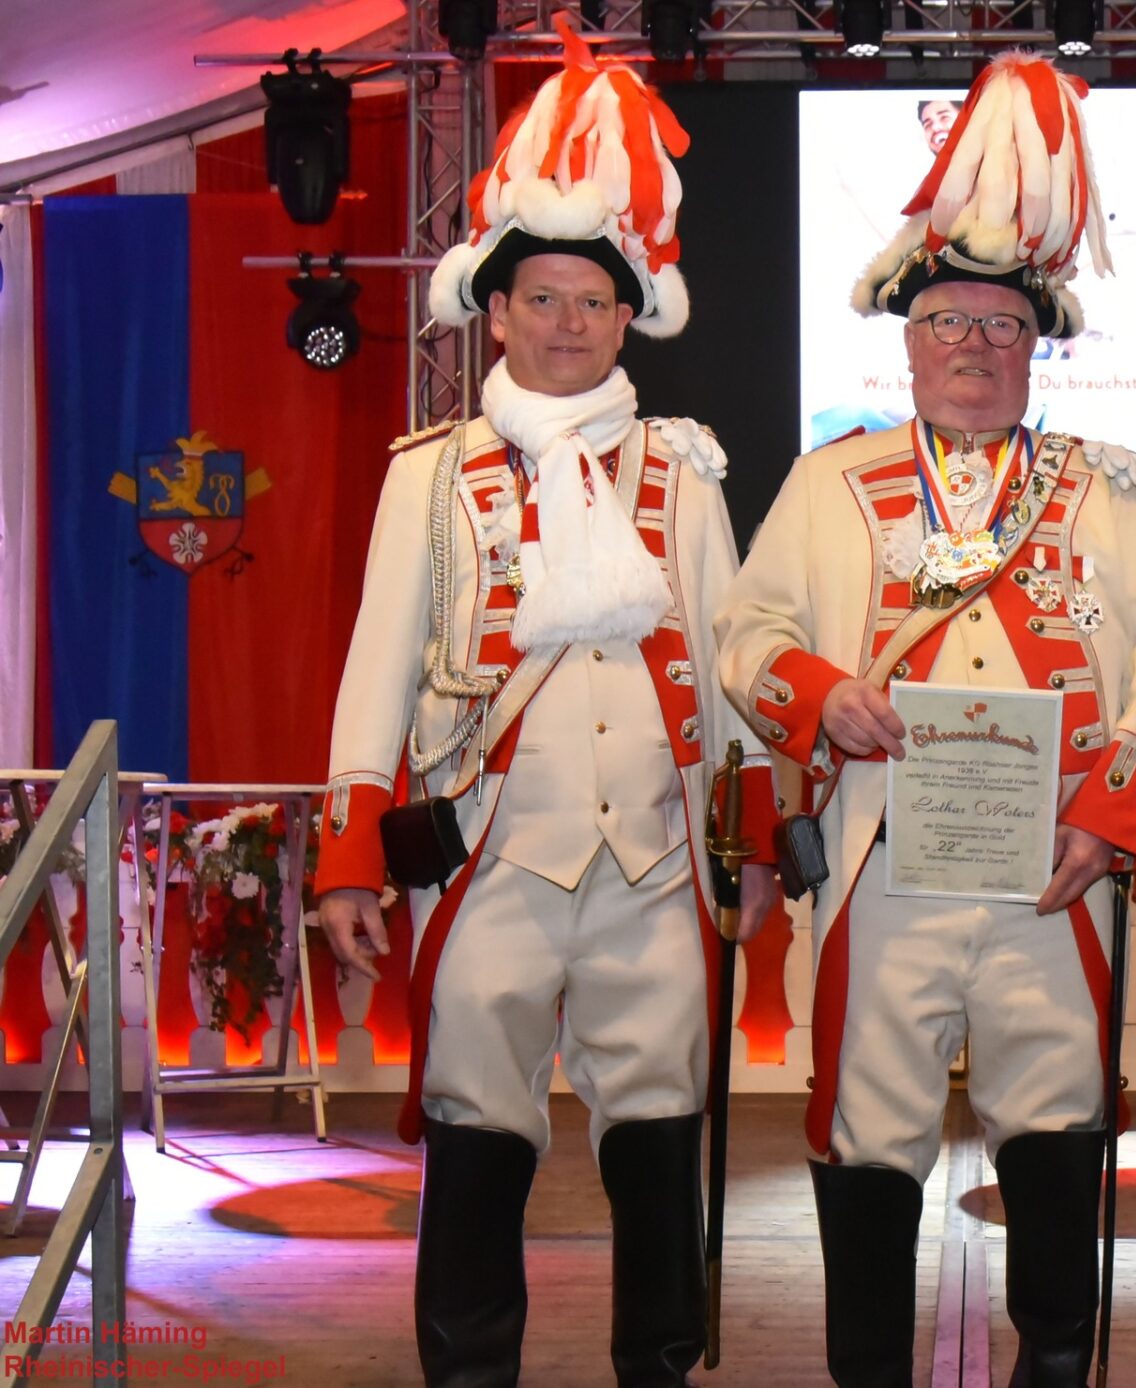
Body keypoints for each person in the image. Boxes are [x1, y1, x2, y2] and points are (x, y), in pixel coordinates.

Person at [715, 54, 1136, 1388]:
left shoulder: (1101, 491)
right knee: (867, 1134)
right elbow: (744, 640)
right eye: (947, 325)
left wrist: (1112, 820)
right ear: (907, 340)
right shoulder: (830, 483)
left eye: (999, 328)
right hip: (882, 869)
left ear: (1036, 348)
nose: (973, 348)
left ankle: (1055, 1366)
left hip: (1057, 873)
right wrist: (826, 697)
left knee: (1059, 1122)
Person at [311, 20, 776, 1387]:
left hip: (654, 864)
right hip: (490, 861)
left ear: (628, 318)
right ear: (496, 312)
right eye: (542, 300)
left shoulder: (684, 470)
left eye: (591, 303)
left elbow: (731, 669)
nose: (568, 325)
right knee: (475, 1136)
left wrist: (748, 847)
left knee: (660, 1138)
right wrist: (348, 856)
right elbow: (376, 667)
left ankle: (657, 1368)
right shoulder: (428, 473)